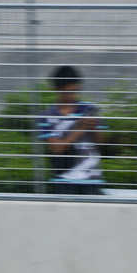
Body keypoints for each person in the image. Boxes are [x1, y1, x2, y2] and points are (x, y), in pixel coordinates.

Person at [37, 66, 106, 195]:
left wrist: (94, 128)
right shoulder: (47, 116)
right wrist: (79, 129)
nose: (73, 96)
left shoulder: (90, 109)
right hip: (64, 181)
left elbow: (101, 145)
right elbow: (56, 149)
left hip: (92, 180)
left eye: (76, 91)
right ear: (57, 90)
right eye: (68, 92)